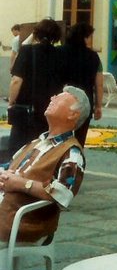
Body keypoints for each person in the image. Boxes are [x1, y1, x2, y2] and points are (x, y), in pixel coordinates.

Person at [0, 85, 89, 245]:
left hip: (24, 222)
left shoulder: (72, 153)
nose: (52, 98)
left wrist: (20, 184)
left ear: (73, 114)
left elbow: (62, 194)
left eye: (59, 98)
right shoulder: (36, 142)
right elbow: (8, 166)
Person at [7, 18, 65, 154]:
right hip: (50, 111)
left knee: (18, 151)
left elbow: (16, 80)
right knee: (43, 151)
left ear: (36, 33)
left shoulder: (27, 51)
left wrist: (11, 101)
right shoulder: (61, 54)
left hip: (27, 109)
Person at [60, 22, 104, 145]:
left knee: (59, 137)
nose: (90, 40)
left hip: (62, 101)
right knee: (80, 139)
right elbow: (99, 84)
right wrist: (98, 106)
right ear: (84, 37)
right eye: (90, 36)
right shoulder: (93, 57)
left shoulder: (59, 52)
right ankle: (76, 161)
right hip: (85, 102)